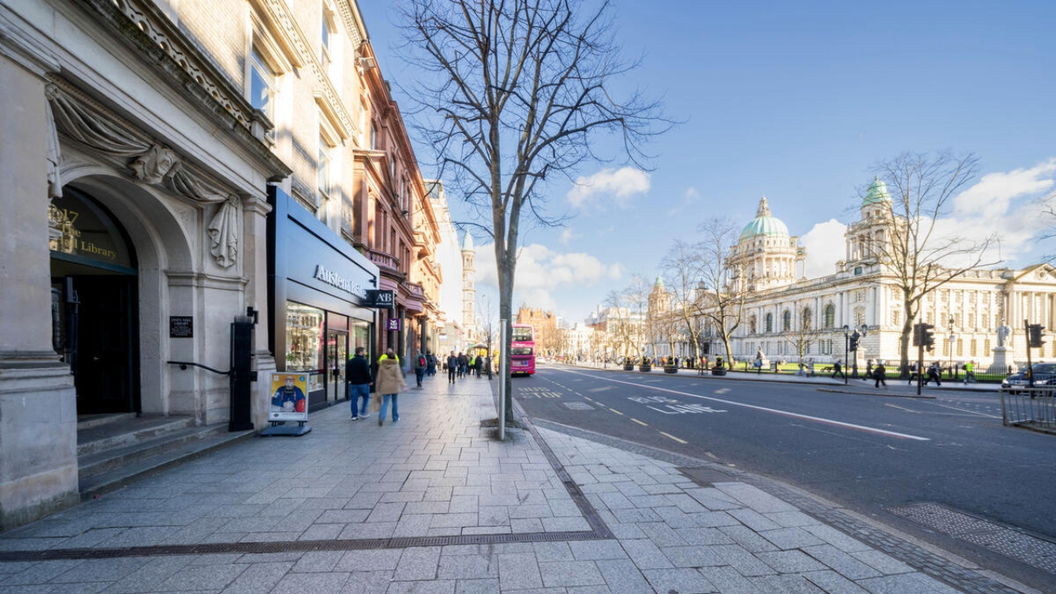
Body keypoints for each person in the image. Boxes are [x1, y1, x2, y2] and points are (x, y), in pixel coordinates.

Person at [375, 348, 407, 425]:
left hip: (385, 387)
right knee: (394, 402)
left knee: (385, 403)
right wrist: (404, 386)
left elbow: (379, 377)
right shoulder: (396, 365)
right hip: (394, 387)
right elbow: (399, 377)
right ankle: (395, 417)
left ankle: (382, 417)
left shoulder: (382, 365)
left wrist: (377, 387)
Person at [346, 347, 372, 420]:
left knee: (354, 399)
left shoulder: (350, 361)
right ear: (361, 352)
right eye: (364, 351)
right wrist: (370, 380)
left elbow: (347, 372)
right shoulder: (363, 361)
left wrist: (350, 379)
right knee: (366, 397)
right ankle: (362, 411)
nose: (365, 352)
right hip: (363, 383)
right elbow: (366, 372)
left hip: (354, 383)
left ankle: (354, 415)